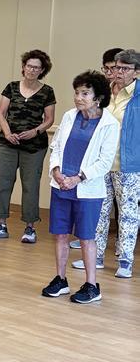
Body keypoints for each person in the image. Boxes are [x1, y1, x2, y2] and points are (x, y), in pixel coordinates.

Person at [41, 70, 119, 304]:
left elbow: (105, 162)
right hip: (61, 186)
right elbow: (56, 146)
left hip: (88, 190)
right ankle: (60, 279)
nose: (78, 97)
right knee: (60, 235)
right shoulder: (69, 116)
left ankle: (92, 286)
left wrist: (78, 178)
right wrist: (56, 171)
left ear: (98, 97)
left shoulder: (109, 124)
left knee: (86, 237)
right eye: (77, 92)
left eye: (85, 93)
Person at [71, 49, 140, 278]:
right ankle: (96, 256)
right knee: (99, 211)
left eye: (124, 68)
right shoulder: (104, 93)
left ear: (136, 72)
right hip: (100, 163)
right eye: (116, 67)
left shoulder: (138, 95)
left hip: (129, 165)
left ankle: (125, 261)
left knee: (128, 213)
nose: (118, 72)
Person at [0, 50, 56, 243]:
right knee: (4, 183)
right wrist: (8, 133)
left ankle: (30, 228)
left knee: (30, 186)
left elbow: (49, 119)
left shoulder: (47, 91)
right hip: (7, 143)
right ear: (23, 67)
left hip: (34, 146)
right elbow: (1, 113)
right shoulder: (11, 87)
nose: (32, 70)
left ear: (42, 70)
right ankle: (1, 225)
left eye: (36, 67)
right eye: (29, 66)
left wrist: (35, 131)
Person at [69, 48, 121, 250]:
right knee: (99, 206)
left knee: (123, 209)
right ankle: (90, 243)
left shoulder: (131, 94)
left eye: (114, 68)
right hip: (95, 161)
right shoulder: (98, 89)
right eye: (106, 68)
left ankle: (120, 250)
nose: (110, 72)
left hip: (121, 159)